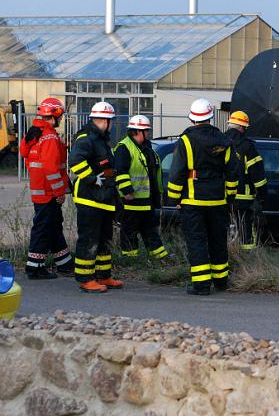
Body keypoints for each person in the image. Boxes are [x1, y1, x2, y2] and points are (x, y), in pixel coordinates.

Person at [166, 98, 239, 296]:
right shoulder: (224, 140)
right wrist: (229, 196)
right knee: (218, 240)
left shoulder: (186, 141)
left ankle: (201, 285)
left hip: (192, 201)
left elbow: (177, 173)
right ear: (210, 117)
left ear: (192, 119)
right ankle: (221, 281)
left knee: (197, 241)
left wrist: (174, 199)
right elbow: (233, 171)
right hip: (218, 200)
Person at [68, 101, 123, 293]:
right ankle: (85, 279)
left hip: (103, 198)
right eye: (110, 121)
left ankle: (104, 276)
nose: (112, 125)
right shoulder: (86, 138)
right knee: (89, 239)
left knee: (104, 239)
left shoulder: (100, 139)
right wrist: (92, 178)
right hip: (89, 198)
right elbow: (75, 161)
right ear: (102, 120)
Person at [19, 98, 73, 279]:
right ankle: (34, 268)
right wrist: (59, 192)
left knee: (54, 226)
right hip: (49, 192)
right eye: (61, 116)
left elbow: (27, 157)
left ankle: (64, 263)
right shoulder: (49, 137)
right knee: (43, 229)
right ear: (55, 115)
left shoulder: (35, 133)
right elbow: (51, 168)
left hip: (40, 190)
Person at [114, 115, 170, 261]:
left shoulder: (147, 148)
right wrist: (127, 191)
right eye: (146, 131)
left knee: (150, 231)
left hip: (147, 200)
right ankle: (130, 261)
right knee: (129, 232)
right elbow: (120, 171)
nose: (148, 134)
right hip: (132, 200)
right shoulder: (124, 147)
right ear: (138, 131)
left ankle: (160, 258)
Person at [225, 111, 267, 250]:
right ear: (242, 127)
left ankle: (228, 254)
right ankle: (247, 257)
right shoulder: (247, 147)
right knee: (245, 229)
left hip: (221, 196)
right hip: (243, 197)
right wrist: (262, 195)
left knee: (224, 227)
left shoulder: (220, 143)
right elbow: (258, 175)